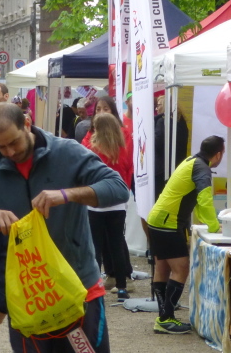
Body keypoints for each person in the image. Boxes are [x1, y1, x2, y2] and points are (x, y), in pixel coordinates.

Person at [0, 103, 129, 352]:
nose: (9, 152)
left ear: (27, 124)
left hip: (78, 289)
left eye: (14, 142)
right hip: (30, 297)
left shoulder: (67, 152)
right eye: (1, 146)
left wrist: (67, 194)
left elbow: (118, 188)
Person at [148, 136, 223, 334]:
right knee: (181, 267)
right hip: (168, 223)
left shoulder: (191, 161)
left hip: (157, 219)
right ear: (218, 154)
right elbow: (204, 200)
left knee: (162, 267)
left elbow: (196, 200)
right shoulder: (202, 168)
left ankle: (164, 316)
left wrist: (209, 223)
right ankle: (166, 318)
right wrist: (214, 226)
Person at [82, 113, 134, 302]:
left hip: (96, 200)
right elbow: (128, 170)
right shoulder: (123, 148)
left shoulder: (90, 148)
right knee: (117, 245)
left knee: (95, 247)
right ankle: (122, 287)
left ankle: (95, 287)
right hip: (118, 202)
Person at [153, 95, 189, 200]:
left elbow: (157, 143)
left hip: (162, 170)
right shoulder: (181, 122)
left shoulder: (162, 121)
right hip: (178, 167)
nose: (156, 108)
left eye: (159, 105)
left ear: (165, 105)